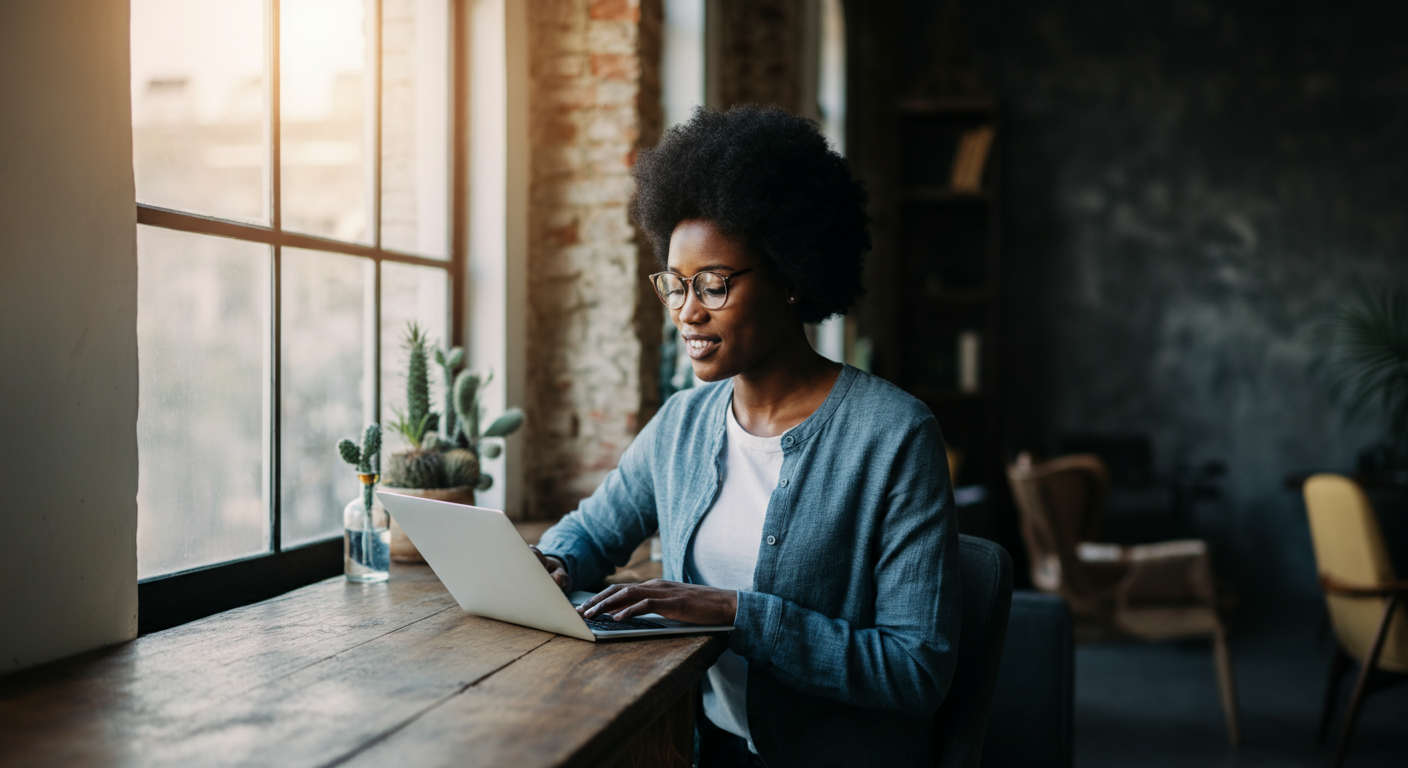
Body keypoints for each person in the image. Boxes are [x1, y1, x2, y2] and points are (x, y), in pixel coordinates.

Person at [532, 105, 961, 768]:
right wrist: (554, 563)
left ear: (791, 277)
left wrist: (733, 612)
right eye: (674, 284)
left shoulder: (896, 437)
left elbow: (916, 670)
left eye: (713, 284)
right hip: (709, 749)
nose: (686, 310)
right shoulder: (682, 423)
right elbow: (589, 535)